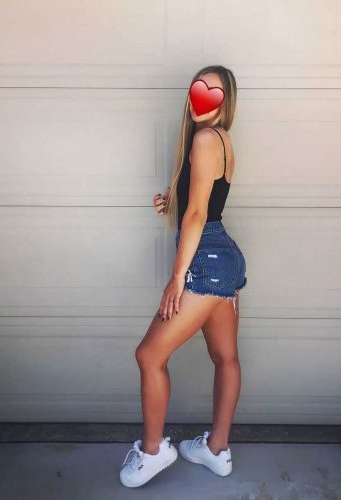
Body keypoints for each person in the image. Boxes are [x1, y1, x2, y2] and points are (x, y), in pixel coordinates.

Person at [119, 65, 247, 488]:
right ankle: (217, 451)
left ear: (225, 101)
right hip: (225, 258)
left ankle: (154, 451)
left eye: (213, 91)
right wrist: (170, 199)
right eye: (198, 87)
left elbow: (197, 214)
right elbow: (205, 202)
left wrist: (178, 278)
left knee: (149, 356)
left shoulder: (205, 138)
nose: (202, 96)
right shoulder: (223, 140)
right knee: (225, 358)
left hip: (204, 261)